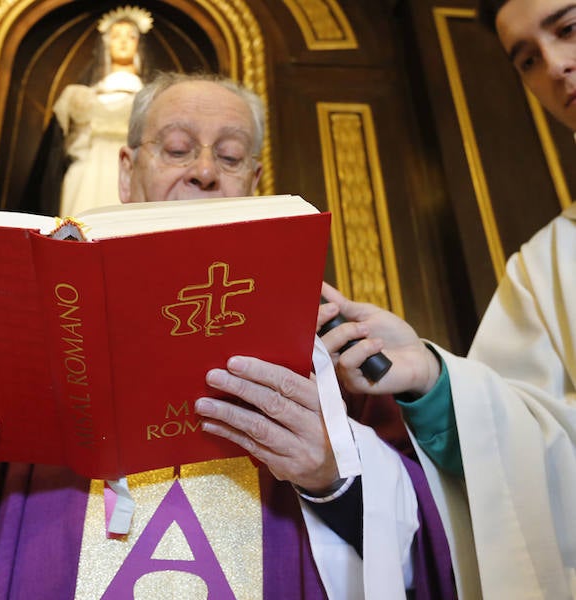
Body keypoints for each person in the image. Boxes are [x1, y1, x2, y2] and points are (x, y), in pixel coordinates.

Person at [0, 73, 455, 599]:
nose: (203, 171)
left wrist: (330, 482)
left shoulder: (328, 352)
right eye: (176, 149)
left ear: (255, 182)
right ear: (126, 172)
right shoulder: (18, 340)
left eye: (230, 155)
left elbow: (426, 546)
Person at [317, 0, 576, 596]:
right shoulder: (543, 269)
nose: (556, 67)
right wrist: (433, 380)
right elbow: (539, 470)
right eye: (528, 60)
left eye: (568, 29)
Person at [53, 6, 150, 217]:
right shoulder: (80, 97)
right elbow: (61, 149)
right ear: (107, 44)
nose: (123, 42)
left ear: (138, 44)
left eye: (130, 37)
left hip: (132, 174)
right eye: (116, 36)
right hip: (88, 173)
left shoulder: (152, 99)